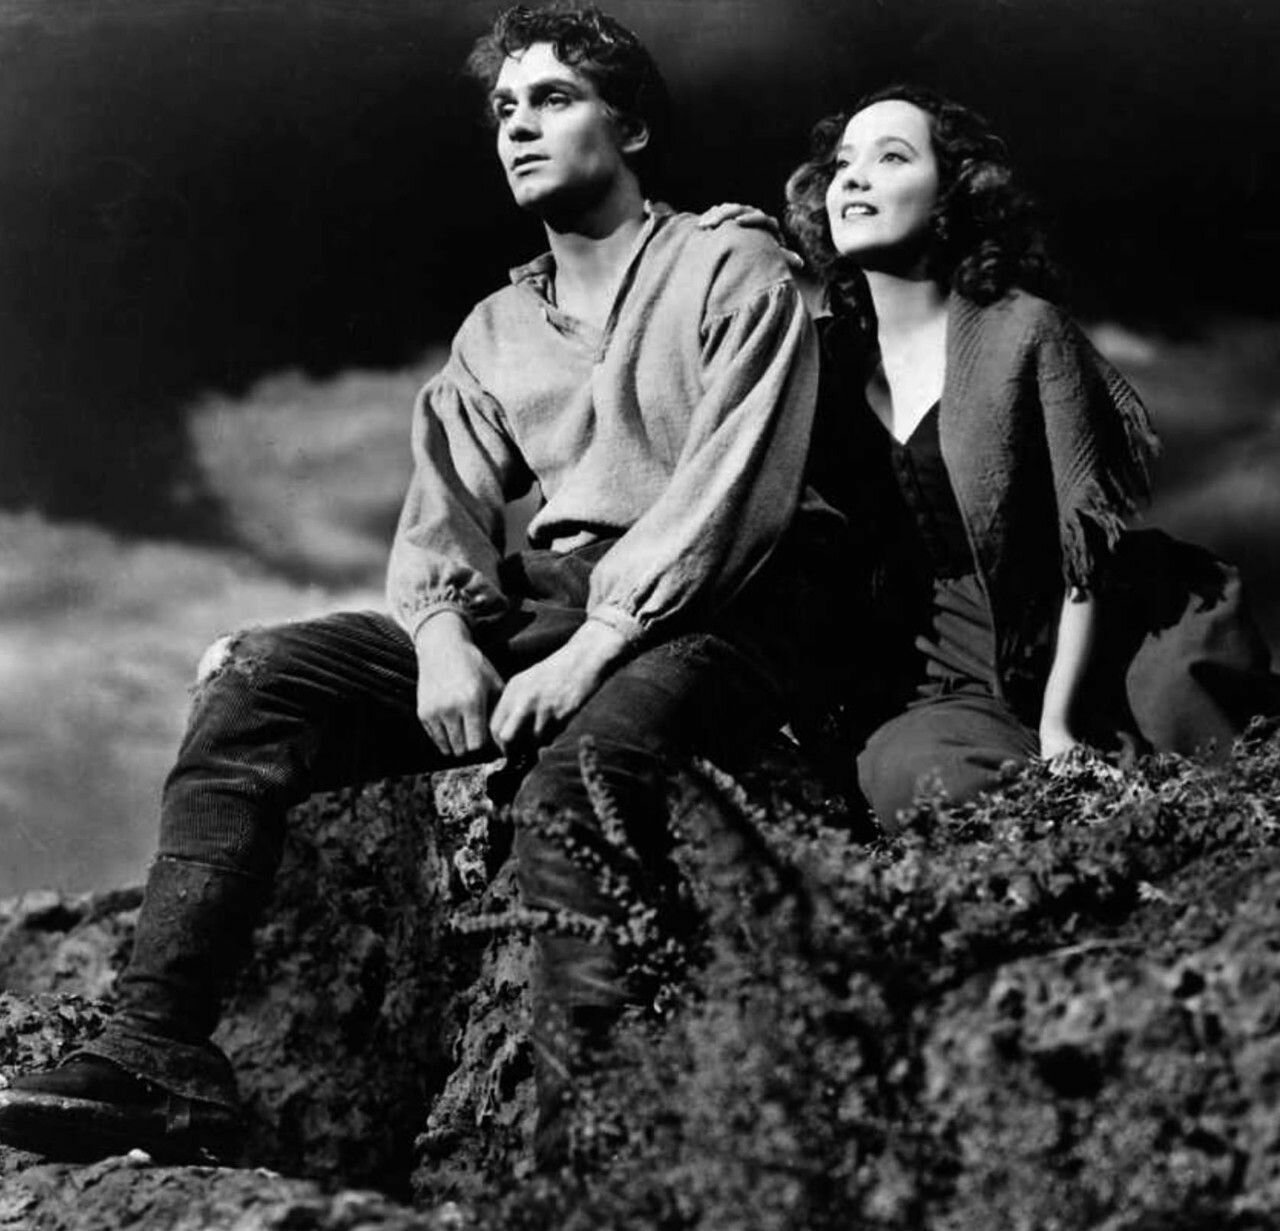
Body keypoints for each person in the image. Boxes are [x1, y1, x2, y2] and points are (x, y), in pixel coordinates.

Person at [0, 4, 841, 1166]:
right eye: (504, 109)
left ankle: (597, 1144)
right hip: (556, 596)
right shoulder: (496, 328)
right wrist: (441, 633)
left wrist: (595, 647)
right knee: (259, 680)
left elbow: (733, 490)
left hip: (722, 603)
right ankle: (155, 1054)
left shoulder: (728, 263)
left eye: (554, 99)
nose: (519, 128)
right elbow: (440, 509)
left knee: (574, 778)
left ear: (633, 128)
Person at [710, 83, 1275, 826]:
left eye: (892, 158)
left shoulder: (1024, 331)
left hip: (1086, 629)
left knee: (1192, 731)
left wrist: (1059, 725)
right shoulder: (821, 358)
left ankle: (1104, 779)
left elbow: (1083, 553)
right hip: (937, 667)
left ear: (954, 195)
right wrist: (727, 252)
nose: (854, 179)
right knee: (913, 780)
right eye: (844, 164)